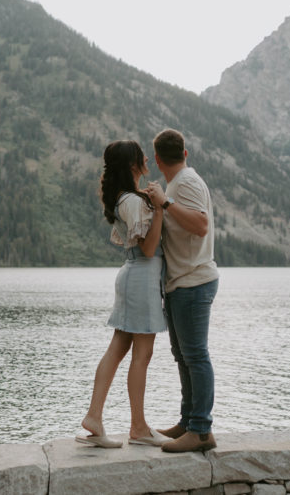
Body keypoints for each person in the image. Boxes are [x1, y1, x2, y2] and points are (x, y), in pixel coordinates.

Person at [77, 140, 171, 448]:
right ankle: (139, 427)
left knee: (118, 349)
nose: (146, 157)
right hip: (142, 276)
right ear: (133, 165)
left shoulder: (126, 198)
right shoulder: (132, 202)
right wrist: (159, 208)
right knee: (142, 355)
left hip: (135, 276)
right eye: (141, 154)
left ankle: (95, 416)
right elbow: (147, 247)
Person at [145, 128, 219, 453]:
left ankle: (201, 430)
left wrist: (166, 201)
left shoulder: (185, 183)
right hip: (181, 283)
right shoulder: (179, 182)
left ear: (158, 160)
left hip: (193, 281)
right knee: (183, 357)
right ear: (185, 152)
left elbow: (200, 225)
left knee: (195, 356)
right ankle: (188, 422)